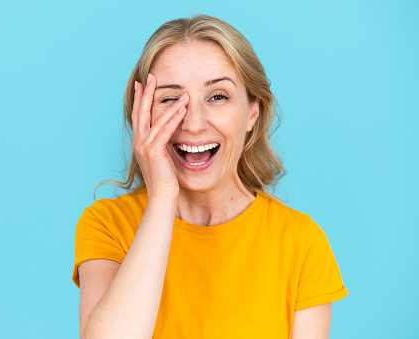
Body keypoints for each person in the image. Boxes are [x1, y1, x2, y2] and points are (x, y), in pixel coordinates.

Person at [72, 14, 348, 339]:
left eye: (218, 96)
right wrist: (162, 197)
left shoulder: (302, 244)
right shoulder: (107, 225)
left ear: (252, 112)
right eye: (171, 99)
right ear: (143, 114)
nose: (194, 124)